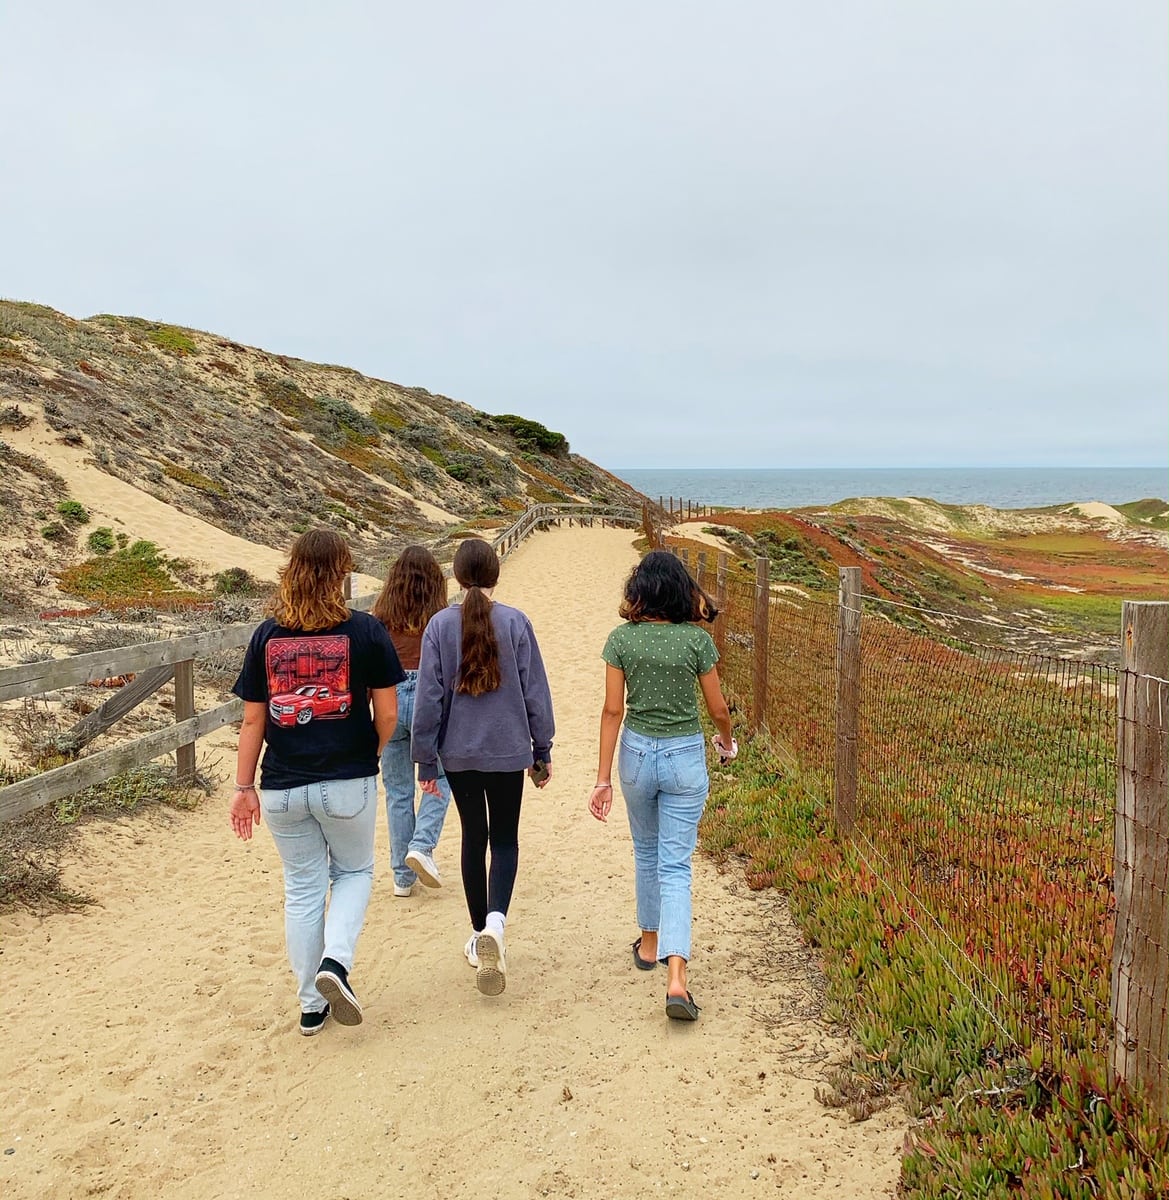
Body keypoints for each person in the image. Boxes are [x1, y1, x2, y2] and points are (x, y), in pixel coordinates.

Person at [230, 528, 404, 1036]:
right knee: (354, 873)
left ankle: (311, 1004)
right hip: (347, 778)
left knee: (303, 890)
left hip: (282, 786)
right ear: (341, 573)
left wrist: (243, 789)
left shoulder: (267, 635)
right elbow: (388, 714)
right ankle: (336, 964)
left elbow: (252, 723)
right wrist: (366, 753)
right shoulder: (367, 631)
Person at [587, 549, 735, 1022]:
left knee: (645, 852)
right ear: (679, 590)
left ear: (639, 591)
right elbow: (718, 710)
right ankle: (677, 979)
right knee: (676, 865)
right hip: (684, 756)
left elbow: (612, 711)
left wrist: (602, 778)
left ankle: (648, 945)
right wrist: (726, 742)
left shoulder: (621, 641)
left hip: (635, 754)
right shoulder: (696, 642)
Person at [411, 537, 555, 997]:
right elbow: (536, 691)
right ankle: (496, 923)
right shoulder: (516, 622)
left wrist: (425, 759)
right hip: (509, 751)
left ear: (456, 576)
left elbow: (429, 699)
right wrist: (542, 748)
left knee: (473, 840)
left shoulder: (439, 626)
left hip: (459, 753)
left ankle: (478, 934)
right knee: (506, 840)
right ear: (495, 575)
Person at [371, 545, 453, 897]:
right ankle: (422, 844)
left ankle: (402, 877)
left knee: (398, 791)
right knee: (441, 778)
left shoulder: (381, 617)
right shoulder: (441, 618)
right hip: (427, 699)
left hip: (388, 697)